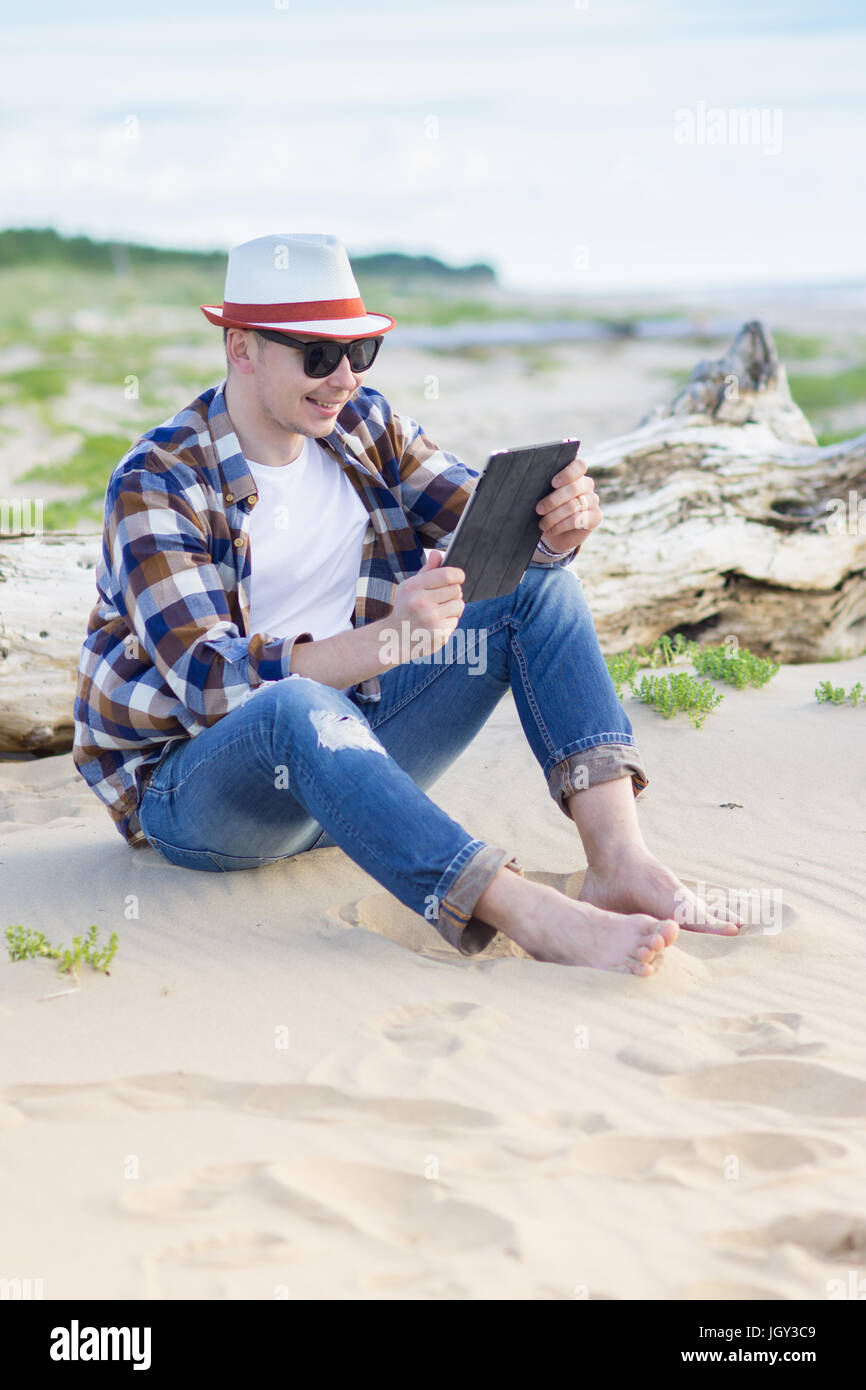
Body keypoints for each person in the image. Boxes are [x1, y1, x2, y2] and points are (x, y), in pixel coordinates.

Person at [73, 232, 739, 975]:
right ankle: (522, 910)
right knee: (295, 704)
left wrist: (557, 526)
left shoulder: (364, 426)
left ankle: (620, 864)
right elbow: (211, 684)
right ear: (241, 348)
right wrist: (391, 640)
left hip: (353, 764)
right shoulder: (157, 480)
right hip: (200, 793)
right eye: (318, 357)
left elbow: (487, 528)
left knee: (539, 588)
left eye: (359, 353)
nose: (343, 379)